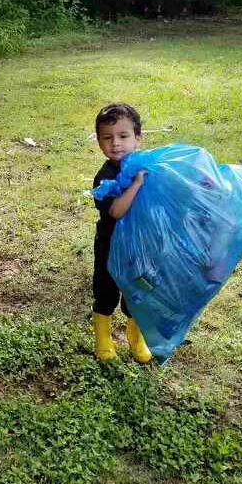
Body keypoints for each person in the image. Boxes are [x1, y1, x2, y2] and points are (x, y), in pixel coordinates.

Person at [92, 103, 152, 364]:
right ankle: (103, 337)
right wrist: (137, 184)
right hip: (110, 244)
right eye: (107, 137)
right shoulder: (104, 177)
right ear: (99, 142)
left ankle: (135, 336)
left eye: (123, 136)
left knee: (137, 292)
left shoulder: (147, 166)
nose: (115, 143)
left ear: (138, 138)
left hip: (139, 246)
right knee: (106, 291)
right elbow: (116, 211)